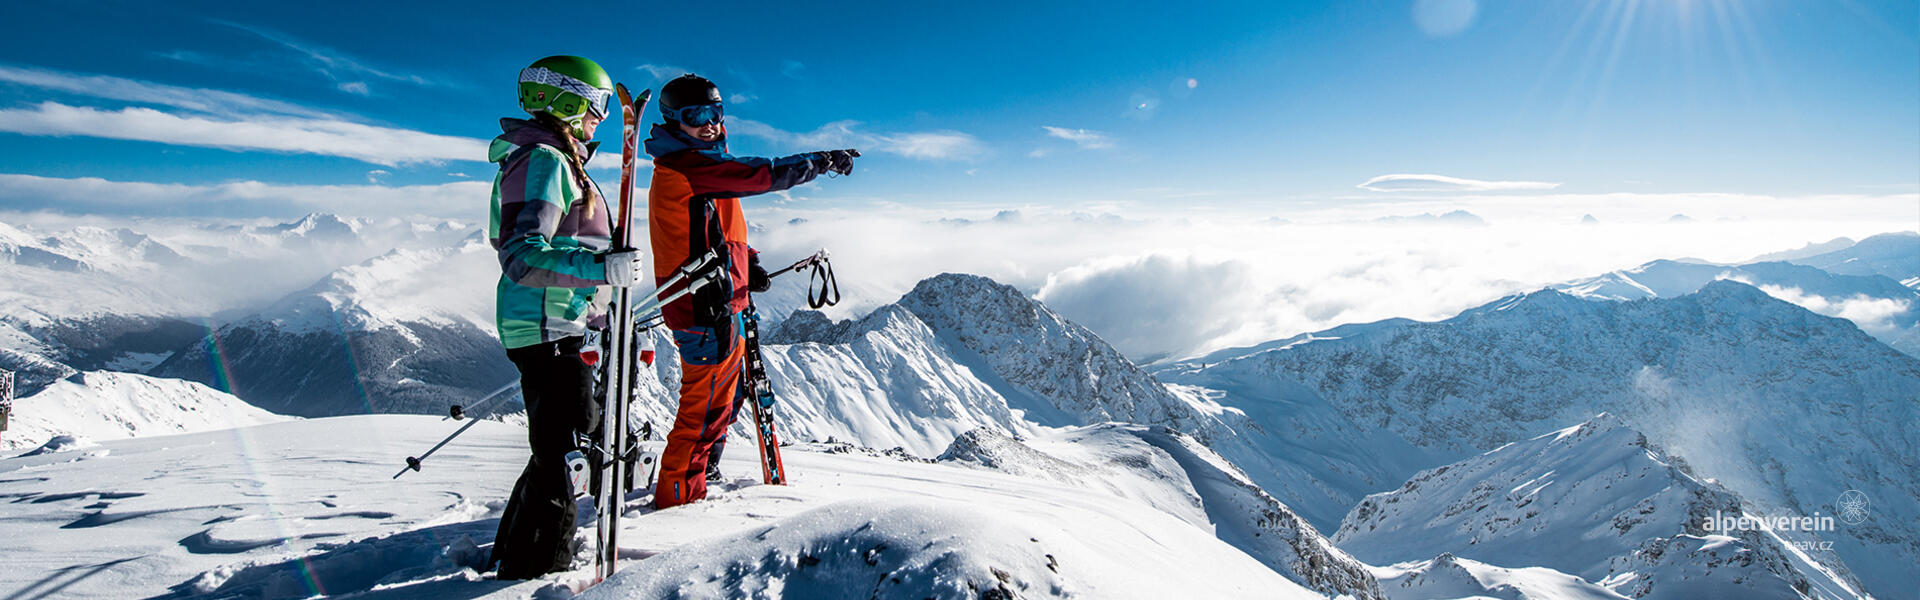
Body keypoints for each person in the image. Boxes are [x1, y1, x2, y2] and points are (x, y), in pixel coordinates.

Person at [645, 74, 857, 509]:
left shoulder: (706, 164)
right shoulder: (686, 167)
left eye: (716, 113)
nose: (709, 123)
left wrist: (749, 264)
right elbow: (762, 175)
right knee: (701, 416)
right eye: (696, 116)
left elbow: (718, 229)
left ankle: (702, 477)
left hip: (727, 301)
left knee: (726, 402)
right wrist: (821, 161)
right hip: (703, 311)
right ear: (674, 121)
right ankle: (676, 505)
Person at [484, 55, 646, 579]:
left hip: (556, 322)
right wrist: (602, 266)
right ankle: (530, 574)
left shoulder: (557, 160)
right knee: (566, 456)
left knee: (558, 448)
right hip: (543, 326)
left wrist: (595, 306)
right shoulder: (545, 161)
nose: (599, 117)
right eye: (596, 106)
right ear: (567, 102)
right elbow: (521, 254)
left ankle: (511, 559)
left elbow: (558, 248)